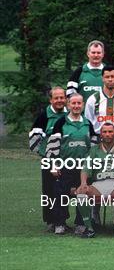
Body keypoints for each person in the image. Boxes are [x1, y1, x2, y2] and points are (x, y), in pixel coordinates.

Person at [45, 93, 98, 235]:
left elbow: (93, 148)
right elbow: (52, 147)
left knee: (83, 194)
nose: (76, 106)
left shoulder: (88, 124)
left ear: (83, 105)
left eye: (79, 103)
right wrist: (54, 165)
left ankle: (81, 224)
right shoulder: (60, 123)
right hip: (65, 166)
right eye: (73, 103)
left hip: (83, 168)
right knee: (61, 195)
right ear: (68, 105)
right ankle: (59, 224)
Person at [76, 123, 114, 238]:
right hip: (98, 184)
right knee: (81, 192)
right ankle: (90, 228)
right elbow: (86, 168)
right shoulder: (94, 150)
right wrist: (83, 183)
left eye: (110, 132)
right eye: (105, 132)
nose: (107, 134)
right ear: (101, 134)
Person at [29, 87, 67, 232]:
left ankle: (62, 220)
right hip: (49, 159)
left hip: (66, 159)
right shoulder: (44, 115)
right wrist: (46, 155)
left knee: (64, 190)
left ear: (66, 99)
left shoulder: (69, 113)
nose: (59, 101)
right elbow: (33, 139)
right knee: (49, 190)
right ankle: (50, 220)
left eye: (61, 97)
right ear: (51, 100)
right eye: (56, 98)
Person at [85, 66, 114, 146]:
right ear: (102, 78)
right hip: (98, 140)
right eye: (107, 77)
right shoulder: (93, 99)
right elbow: (88, 122)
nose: (110, 79)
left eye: (113, 76)